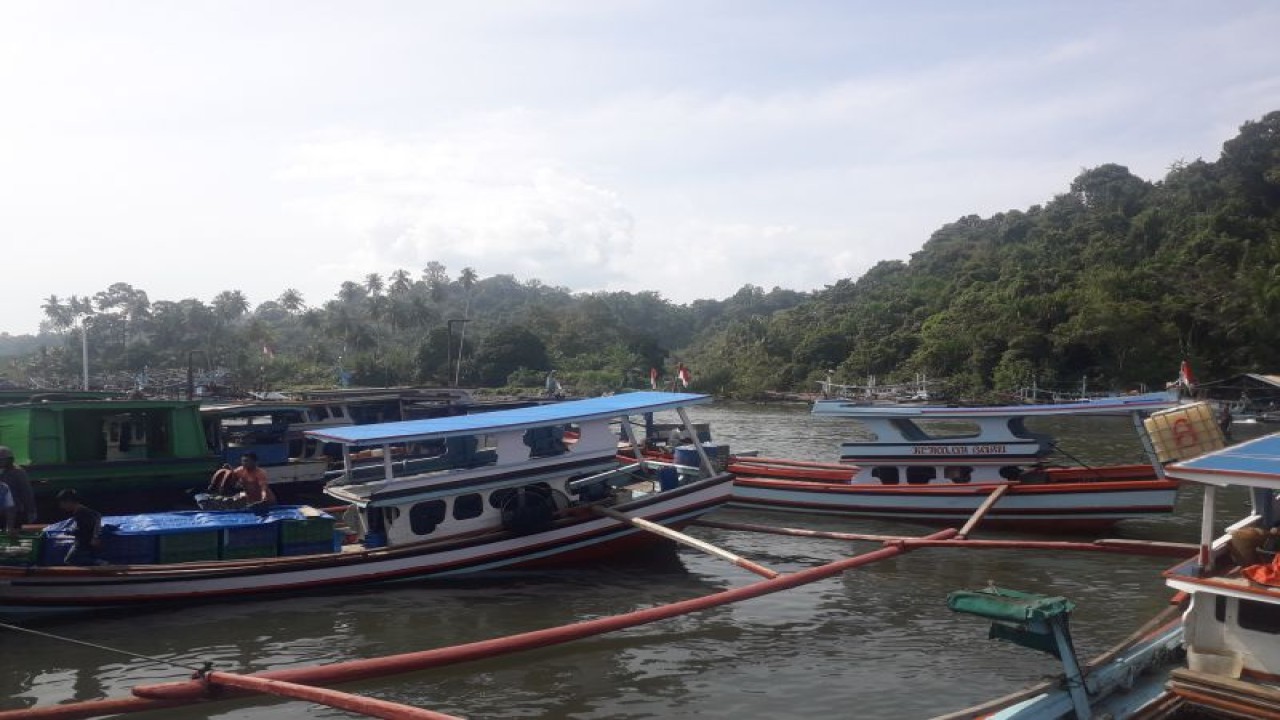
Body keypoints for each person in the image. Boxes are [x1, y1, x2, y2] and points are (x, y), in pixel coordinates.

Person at [56, 489, 103, 566]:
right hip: (85, 541)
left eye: (62, 503)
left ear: (69, 502)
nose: (61, 506)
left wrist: (70, 531)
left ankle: (97, 562)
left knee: (69, 560)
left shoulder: (80, 512)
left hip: (84, 542)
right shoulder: (81, 510)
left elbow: (83, 530)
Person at [0, 446, 37, 526]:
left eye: (3, 459)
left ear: (9, 460)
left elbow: (26, 493)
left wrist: (31, 511)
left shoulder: (18, 472)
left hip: (14, 512)